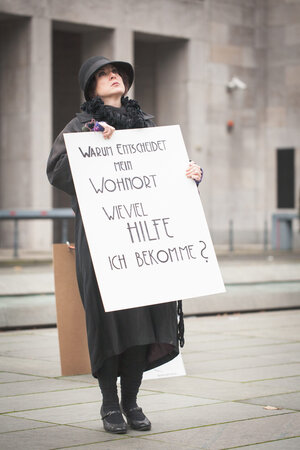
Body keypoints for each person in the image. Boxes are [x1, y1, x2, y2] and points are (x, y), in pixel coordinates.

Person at [47, 56, 203, 434]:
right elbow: (56, 170)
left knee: (143, 321)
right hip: (104, 245)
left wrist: (191, 174)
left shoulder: (147, 124)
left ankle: (132, 401)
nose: (112, 75)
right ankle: (109, 404)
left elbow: (166, 178)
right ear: (90, 88)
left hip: (144, 245)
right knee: (109, 322)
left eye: (115, 72)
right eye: (102, 74)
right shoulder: (81, 125)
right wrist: (91, 147)